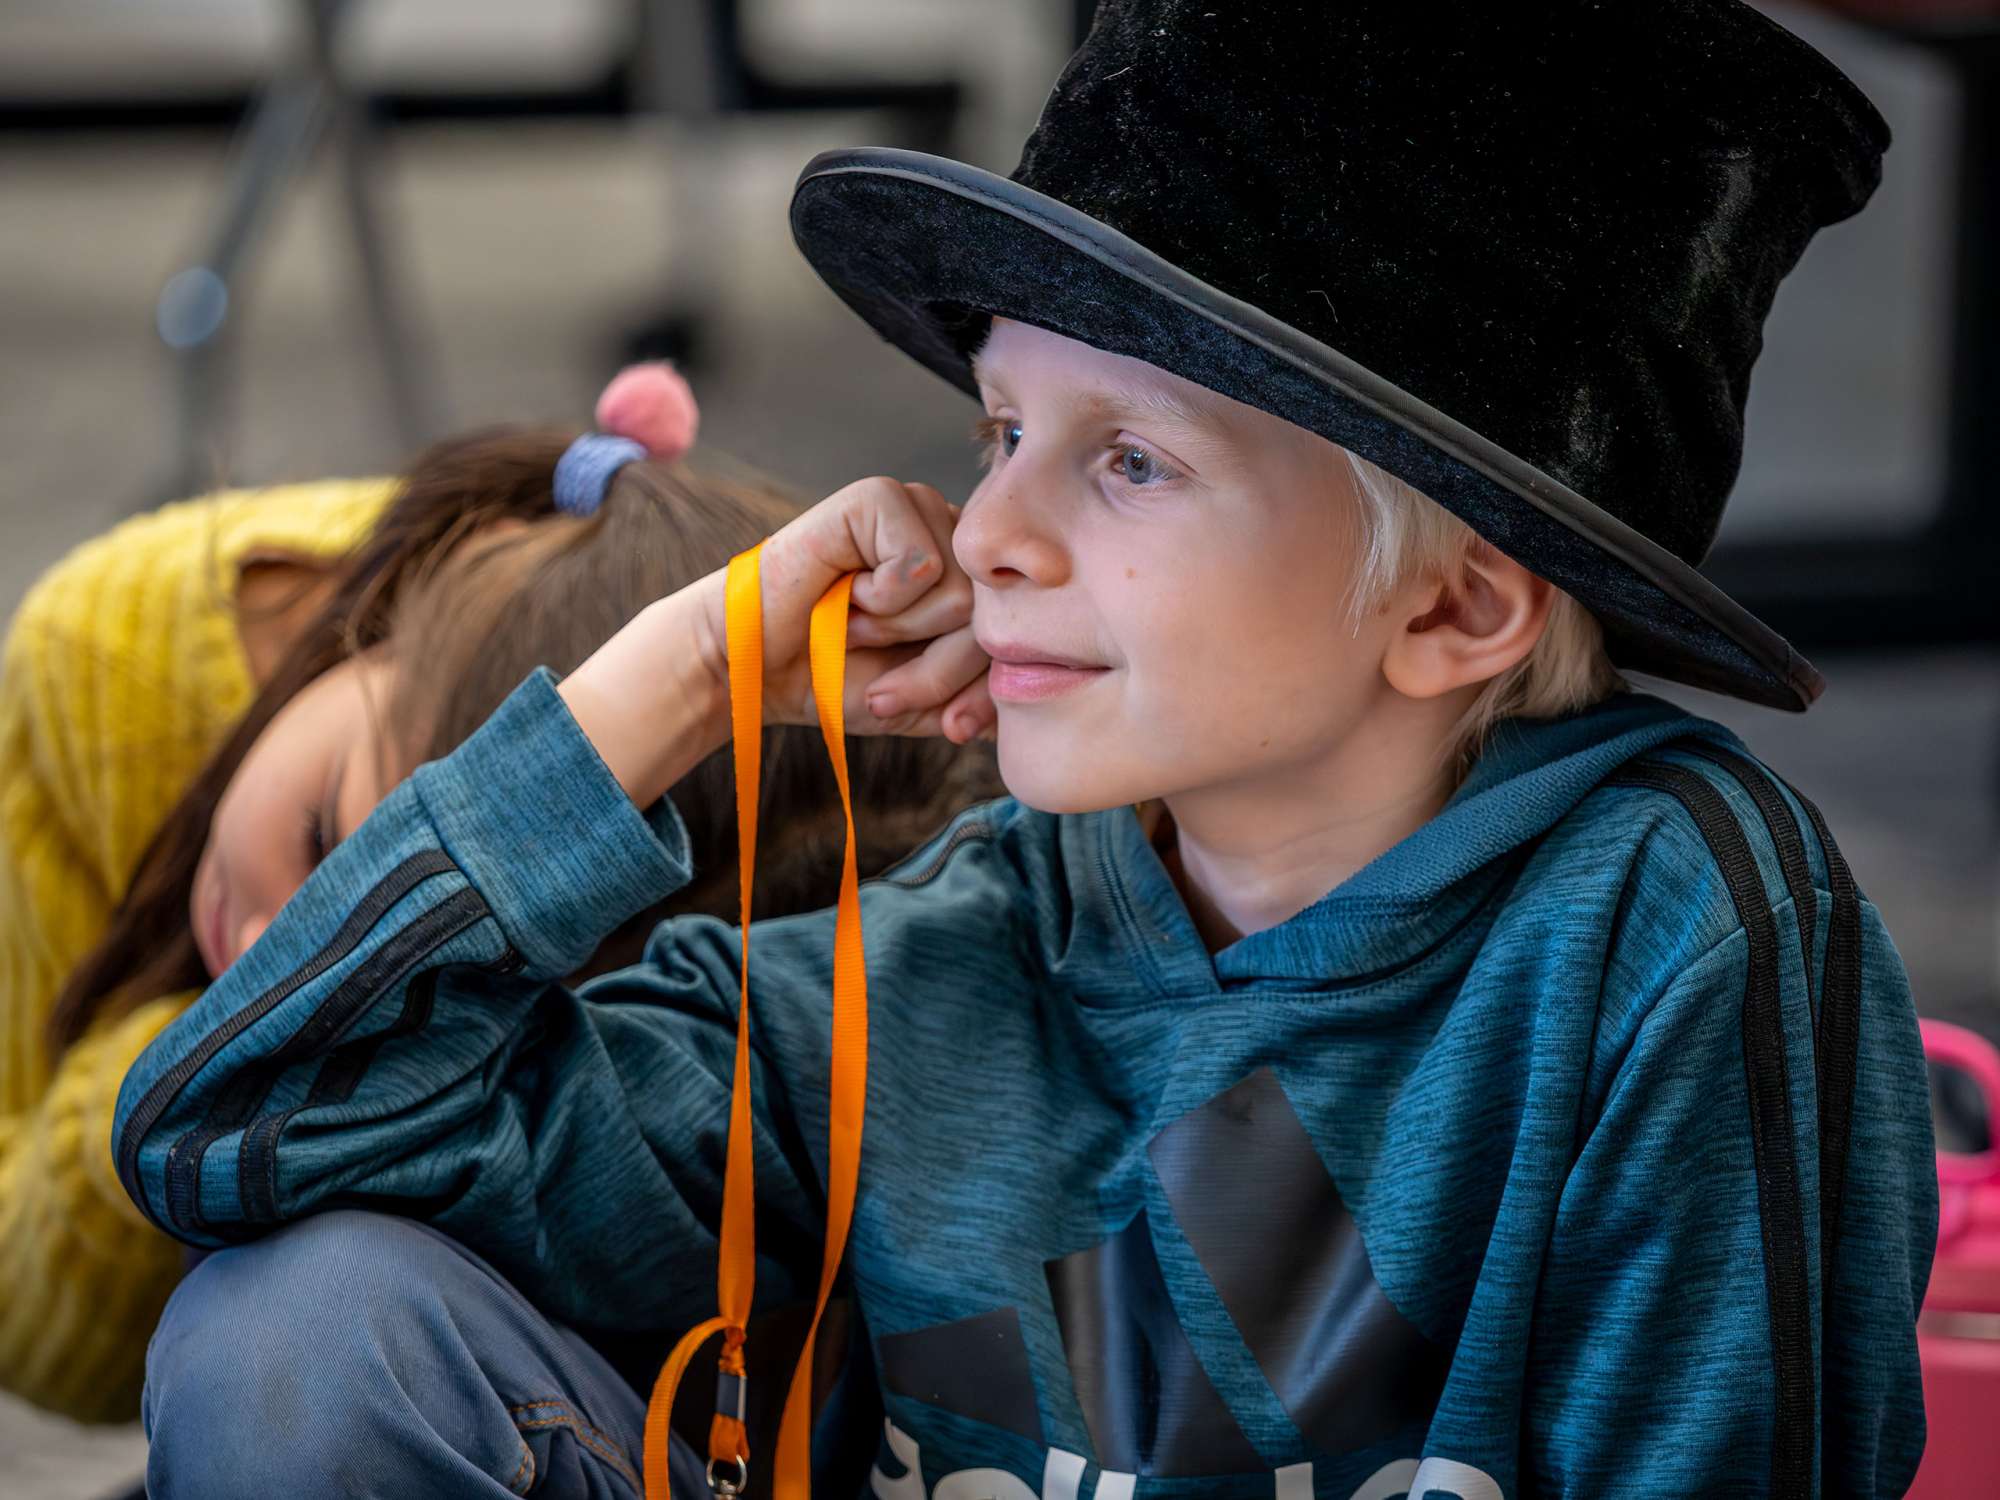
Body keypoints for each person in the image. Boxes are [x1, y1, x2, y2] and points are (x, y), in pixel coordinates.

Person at [120, 4, 1935, 1496]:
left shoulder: (1675, 935)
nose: (988, 528)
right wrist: (665, 681)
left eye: (1129, 459)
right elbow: (232, 1138)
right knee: (299, 1332)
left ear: (1457, 611)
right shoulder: (944, 955)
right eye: (1000, 428)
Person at [0, 366, 1000, 1427]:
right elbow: (37, 1333)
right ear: (383, 621)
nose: (273, 959)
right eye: (325, 841)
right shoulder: (104, 658)